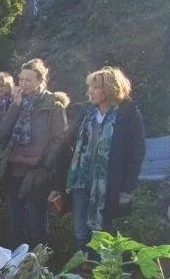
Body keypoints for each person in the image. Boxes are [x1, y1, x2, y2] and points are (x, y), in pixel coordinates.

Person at [51, 67, 145, 250]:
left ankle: (100, 274)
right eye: (90, 87)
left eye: (95, 88)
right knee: (80, 232)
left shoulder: (128, 114)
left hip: (108, 186)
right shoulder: (86, 112)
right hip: (81, 182)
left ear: (109, 89)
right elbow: (65, 146)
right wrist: (57, 184)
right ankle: (84, 274)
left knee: (102, 234)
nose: (90, 92)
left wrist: (127, 189)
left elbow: (137, 153)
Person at [0, 58, 65, 248]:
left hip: (37, 171)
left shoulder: (53, 106)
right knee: (16, 222)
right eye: (21, 79)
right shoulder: (14, 102)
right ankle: (17, 267)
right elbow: (1, 134)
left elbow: (59, 141)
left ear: (40, 81)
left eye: (28, 80)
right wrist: (15, 106)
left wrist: (46, 167)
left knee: (37, 222)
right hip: (13, 168)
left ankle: (40, 265)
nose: (23, 84)